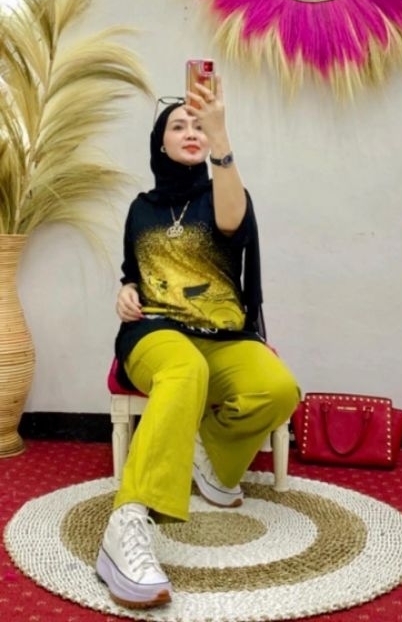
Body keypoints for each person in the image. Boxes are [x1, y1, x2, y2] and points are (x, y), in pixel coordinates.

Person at [96, 75, 300, 608]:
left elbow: (233, 223)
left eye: (197, 126)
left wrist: (221, 133)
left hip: (221, 333)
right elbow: (133, 272)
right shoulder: (141, 208)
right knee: (185, 369)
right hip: (154, 333)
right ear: (159, 143)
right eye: (178, 126)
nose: (190, 132)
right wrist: (126, 291)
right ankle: (127, 520)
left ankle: (209, 453)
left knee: (279, 389)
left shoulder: (223, 194)